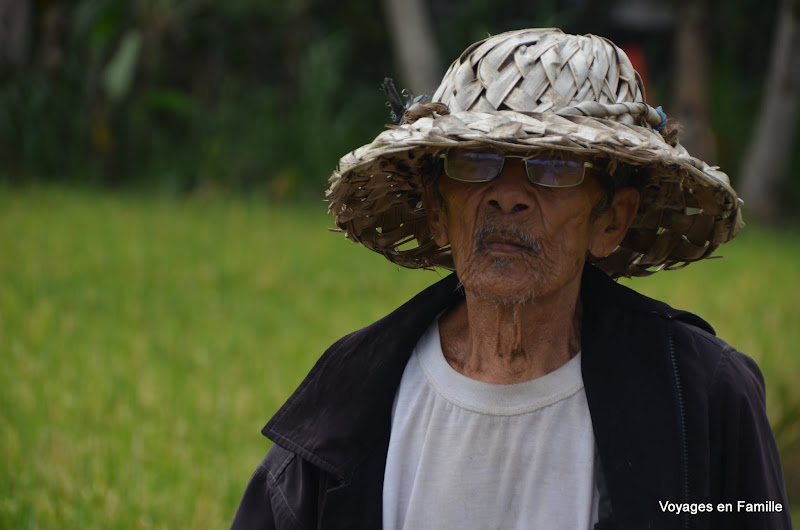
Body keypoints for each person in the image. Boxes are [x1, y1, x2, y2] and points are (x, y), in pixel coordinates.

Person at [231, 29, 791, 529]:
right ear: (435, 209)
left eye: (555, 166)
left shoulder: (703, 399)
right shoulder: (347, 403)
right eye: (474, 160)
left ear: (612, 220)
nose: (507, 193)